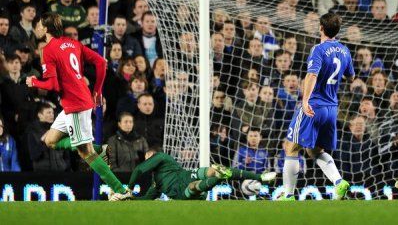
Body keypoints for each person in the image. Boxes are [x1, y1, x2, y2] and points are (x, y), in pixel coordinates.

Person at [25, 12, 132, 200]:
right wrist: (97, 90)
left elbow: (52, 85)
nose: (38, 27)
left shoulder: (48, 50)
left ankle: (121, 191)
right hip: (75, 100)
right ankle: (98, 148)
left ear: (47, 28)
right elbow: (101, 61)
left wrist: (34, 82)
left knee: (86, 153)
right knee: (50, 140)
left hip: (75, 103)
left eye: (40, 24)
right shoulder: (72, 43)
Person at [281, 13, 354, 201]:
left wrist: (305, 101)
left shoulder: (318, 49)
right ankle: (339, 182)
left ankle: (288, 196)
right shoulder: (345, 51)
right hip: (331, 108)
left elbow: (312, 75)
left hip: (314, 106)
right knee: (315, 151)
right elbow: (350, 76)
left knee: (291, 147)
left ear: (321, 27)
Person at [123, 146, 276, 200]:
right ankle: (218, 178)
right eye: (146, 159)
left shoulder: (162, 157)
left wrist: (128, 188)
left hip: (184, 175)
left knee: (210, 170)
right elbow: (147, 199)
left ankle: (259, 177)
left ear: (155, 155)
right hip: (181, 191)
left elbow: (138, 169)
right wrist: (129, 199)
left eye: (149, 157)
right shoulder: (156, 183)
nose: (148, 161)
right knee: (193, 186)